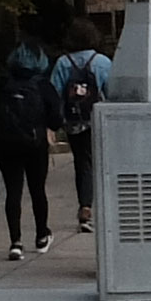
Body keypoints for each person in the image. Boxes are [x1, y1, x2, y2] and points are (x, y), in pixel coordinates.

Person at [0, 43, 63, 260]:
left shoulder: (2, 84)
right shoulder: (43, 85)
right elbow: (57, 118)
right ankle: (41, 235)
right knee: (38, 190)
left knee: (13, 192)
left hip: (6, 146)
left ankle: (15, 242)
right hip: (35, 145)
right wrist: (48, 127)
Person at [50, 21, 111, 233]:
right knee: (101, 163)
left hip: (74, 122)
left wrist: (54, 125)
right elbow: (111, 92)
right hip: (98, 119)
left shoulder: (62, 63)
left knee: (82, 163)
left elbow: (54, 94)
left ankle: (85, 206)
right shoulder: (102, 62)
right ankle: (105, 207)